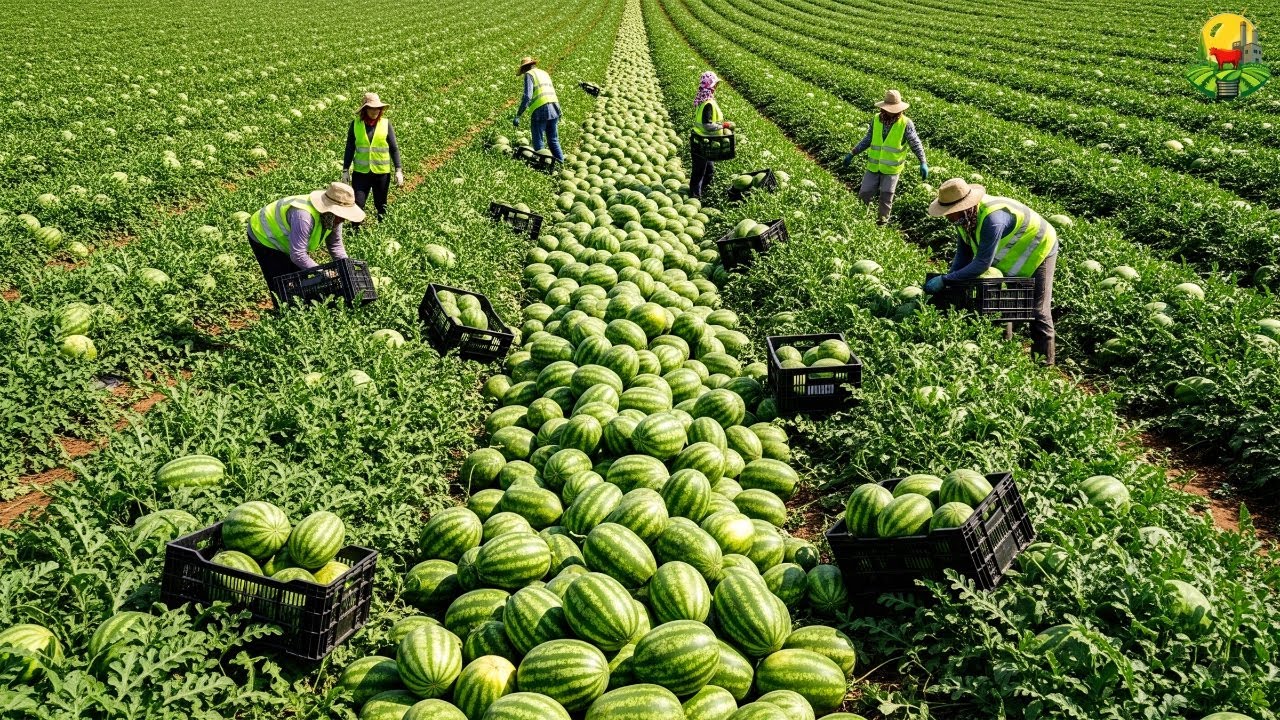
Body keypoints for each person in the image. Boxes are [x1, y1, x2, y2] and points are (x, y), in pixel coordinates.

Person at [924, 178, 1060, 365]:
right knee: (1000, 303)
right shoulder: (964, 221)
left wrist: (946, 280)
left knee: (1038, 309)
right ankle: (1003, 353)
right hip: (1012, 254)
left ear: (963, 207)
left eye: (950, 213)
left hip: (1039, 247)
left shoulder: (992, 219)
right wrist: (950, 283)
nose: (947, 217)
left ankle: (1045, 365)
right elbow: (963, 257)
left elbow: (981, 264)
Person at [247, 182, 366, 307]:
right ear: (328, 210)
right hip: (264, 235)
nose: (343, 220)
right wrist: (324, 272)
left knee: (300, 278)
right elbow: (297, 255)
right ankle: (282, 313)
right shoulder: (303, 216)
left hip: (288, 238)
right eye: (341, 216)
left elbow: (335, 245)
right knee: (281, 281)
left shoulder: (334, 217)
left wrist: (347, 269)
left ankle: (298, 307)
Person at [842, 89, 928, 225]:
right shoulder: (876, 119)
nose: (893, 111)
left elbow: (915, 143)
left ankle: (882, 222)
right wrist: (852, 153)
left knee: (886, 196)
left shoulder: (906, 123)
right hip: (873, 166)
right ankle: (859, 220)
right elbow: (868, 139)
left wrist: (923, 161)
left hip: (892, 169)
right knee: (865, 192)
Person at [342, 92, 403, 233]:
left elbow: (394, 148)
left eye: (377, 108)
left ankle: (383, 231)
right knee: (358, 203)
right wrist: (345, 169)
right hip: (361, 173)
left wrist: (398, 169)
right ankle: (355, 232)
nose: (375, 111)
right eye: (371, 108)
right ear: (365, 109)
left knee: (381, 204)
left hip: (381, 173)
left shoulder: (386, 124)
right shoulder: (355, 124)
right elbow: (350, 147)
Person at [689, 71, 734, 199]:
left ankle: (703, 193)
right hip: (701, 142)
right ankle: (694, 197)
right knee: (699, 171)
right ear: (711, 86)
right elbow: (707, 126)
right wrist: (723, 126)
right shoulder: (707, 104)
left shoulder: (706, 101)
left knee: (709, 170)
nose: (716, 87)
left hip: (706, 142)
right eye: (715, 85)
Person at [513, 56, 563, 162]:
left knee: (538, 140)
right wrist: (559, 110)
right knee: (553, 139)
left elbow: (527, 96)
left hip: (541, 109)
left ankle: (542, 165)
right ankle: (560, 164)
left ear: (525, 68)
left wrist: (518, 114)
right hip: (554, 106)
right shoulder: (544, 73)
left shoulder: (529, 74)